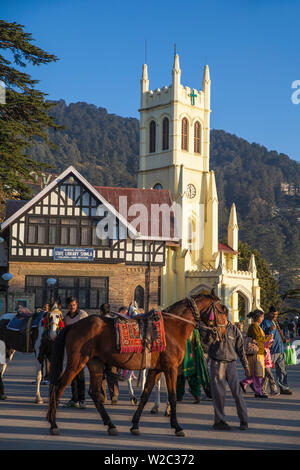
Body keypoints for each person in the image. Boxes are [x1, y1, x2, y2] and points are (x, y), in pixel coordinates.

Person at [202, 308, 250, 431]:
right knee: (219, 394)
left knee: (237, 393)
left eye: (220, 315)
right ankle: (219, 421)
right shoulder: (213, 329)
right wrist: (211, 337)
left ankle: (244, 420)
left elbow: (240, 349)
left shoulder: (234, 330)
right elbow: (206, 346)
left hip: (231, 364)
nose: (218, 317)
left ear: (226, 315)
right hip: (217, 363)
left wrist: (246, 366)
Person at [240, 310, 272, 398]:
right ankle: (258, 392)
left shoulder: (256, 326)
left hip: (259, 352)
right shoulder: (254, 326)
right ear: (258, 317)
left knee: (255, 374)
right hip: (256, 353)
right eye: (261, 316)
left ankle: (244, 383)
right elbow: (258, 338)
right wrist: (267, 337)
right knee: (258, 374)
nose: (262, 318)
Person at [63, 296, 88, 409]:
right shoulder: (66, 317)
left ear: (77, 304)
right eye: (70, 305)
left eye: (74, 305)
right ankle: (74, 399)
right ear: (68, 306)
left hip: (82, 349)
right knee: (72, 375)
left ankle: (82, 399)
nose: (72, 307)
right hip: (71, 350)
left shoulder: (82, 314)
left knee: (80, 374)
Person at [261, 306, 292, 395]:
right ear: (269, 313)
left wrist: (284, 339)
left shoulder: (276, 322)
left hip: (280, 349)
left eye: (276, 314)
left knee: (282, 370)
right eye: (273, 314)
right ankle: (260, 387)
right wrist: (269, 331)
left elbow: (278, 333)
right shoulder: (265, 323)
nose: (275, 316)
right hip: (271, 351)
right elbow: (261, 336)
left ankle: (284, 387)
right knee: (267, 371)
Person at [176, 328, 211, 404]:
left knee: (183, 377)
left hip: (187, 358)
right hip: (190, 359)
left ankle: (180, 396)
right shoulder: (194, 331)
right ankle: (194, 396)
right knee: (184, 378)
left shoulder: (191, 331)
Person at [99, 303, 119, 405]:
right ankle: (114, 395)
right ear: (109, 311)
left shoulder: (99, 322)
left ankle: (103, 397)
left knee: (101, 374)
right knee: (112, 374)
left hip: (101, 352)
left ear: (101, 312)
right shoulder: (114, 321)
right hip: (113, 352)